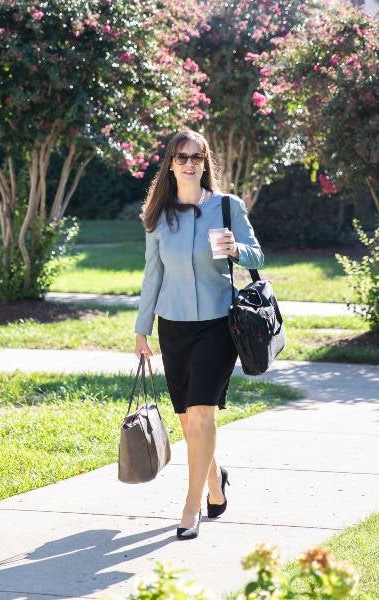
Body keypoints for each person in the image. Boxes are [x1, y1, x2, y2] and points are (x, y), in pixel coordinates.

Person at [133, 128, 264, 540]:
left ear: (205, 162)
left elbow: (258, 254)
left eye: (197, 157)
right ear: (170, 163)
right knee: (188, 421)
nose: (190, 163)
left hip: (216, 324)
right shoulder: (158, 216)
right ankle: (214, 481)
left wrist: (237, 250)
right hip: (173, 328)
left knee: (203, 412)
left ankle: (191, 507)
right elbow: (152, 275)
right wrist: (142, 330)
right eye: (182, 157)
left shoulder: (228, 207)